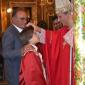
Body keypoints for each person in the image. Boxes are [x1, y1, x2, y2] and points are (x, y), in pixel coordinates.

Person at [27, 0, 74, 85]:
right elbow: (50, 37)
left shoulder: (79, 31)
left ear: (69, 14)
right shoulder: (62, 31)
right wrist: (37, 29)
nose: (59, 20)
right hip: (63, 73)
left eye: (60, 16)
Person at [2, 7, 33, 85]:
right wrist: (21, 50)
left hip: (21, 73)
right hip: (14, 74)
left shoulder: (21, 30)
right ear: (13, 19)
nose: (25, 21)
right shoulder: (9, 33)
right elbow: (5, 53)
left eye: (26, 19)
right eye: (22, 19)